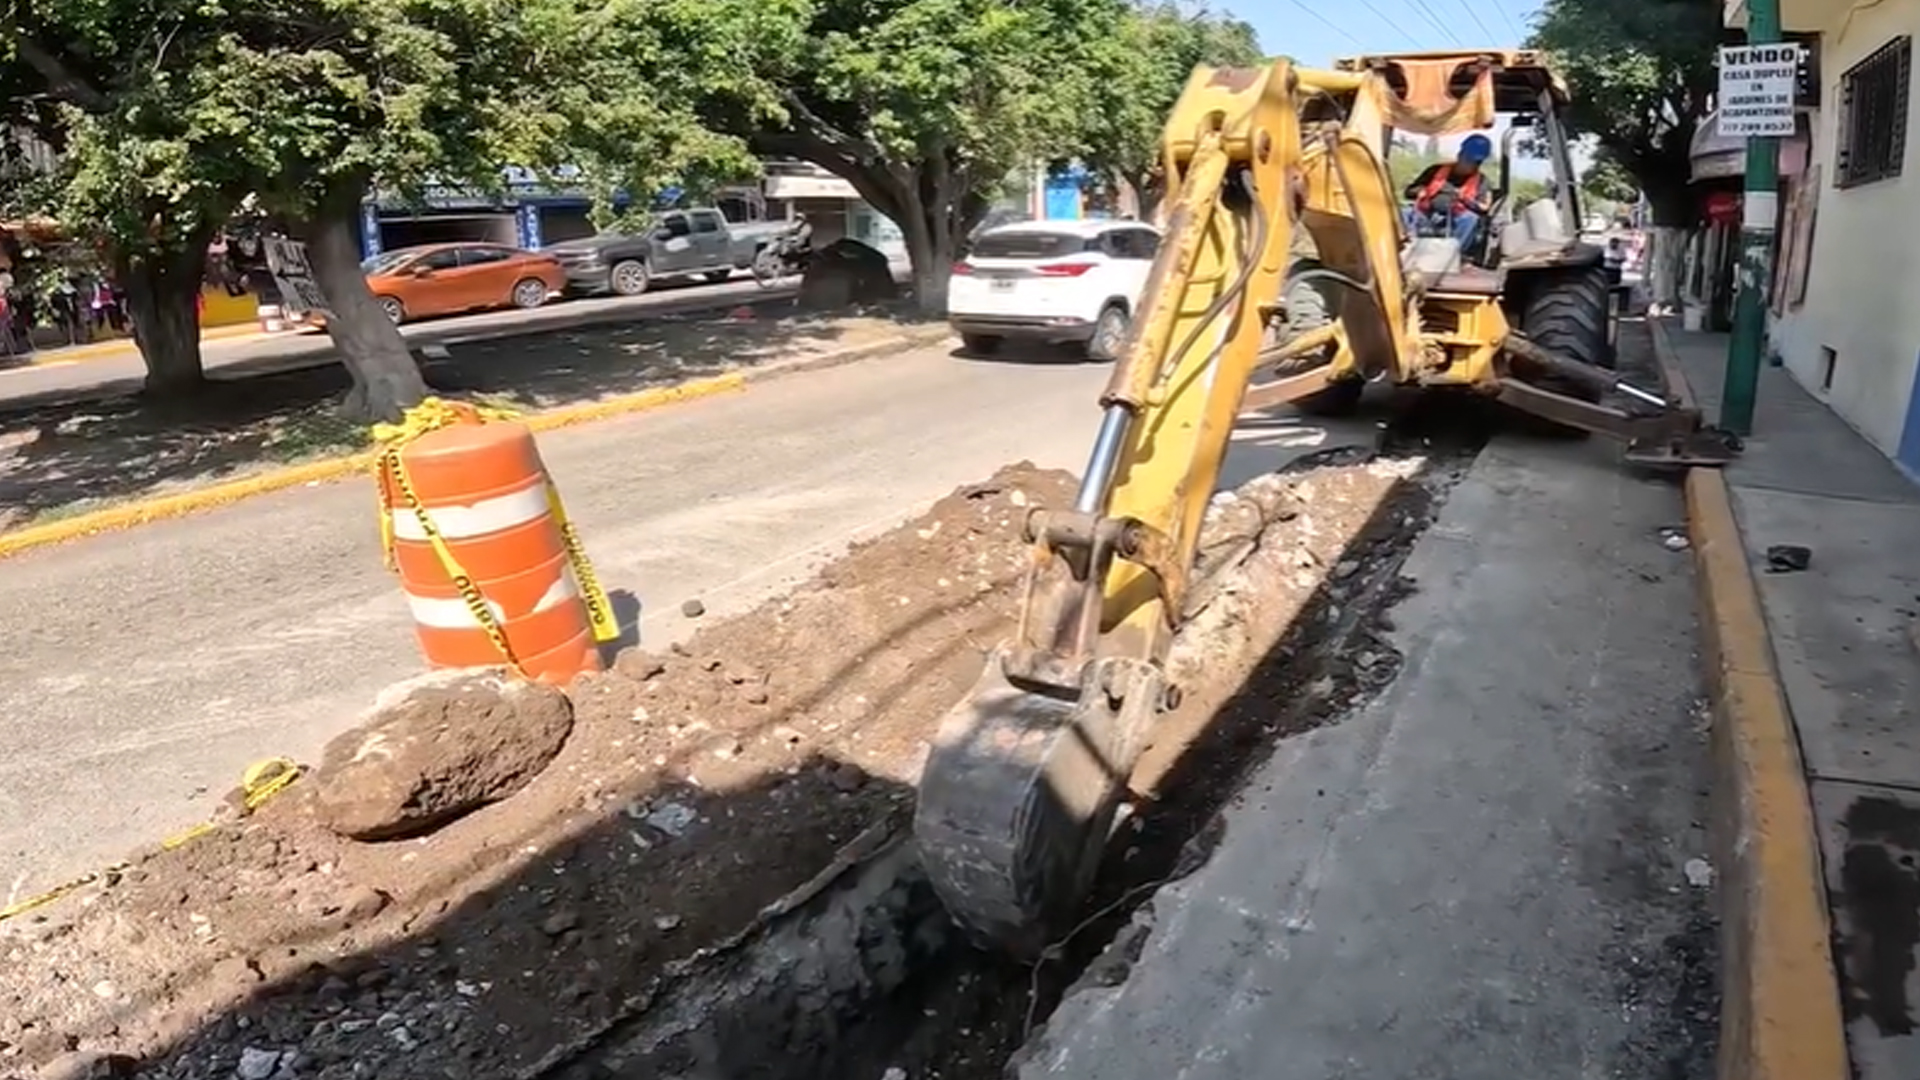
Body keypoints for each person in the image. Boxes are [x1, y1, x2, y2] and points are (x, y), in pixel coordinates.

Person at [1402, 133, 1495, 248]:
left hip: (1455, 219)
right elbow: (1408, 192)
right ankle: (1406, 249)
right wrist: (1419, 191)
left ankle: (1457, 255)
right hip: (1426, 215)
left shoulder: (1482, 181)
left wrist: (1466, 200)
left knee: (1471, 218)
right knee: (1405, 212)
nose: (1473, 165)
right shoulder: (1435, 170)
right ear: (1460, 155)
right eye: (1468, 160)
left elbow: (1485, 207)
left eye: (1477, 162)